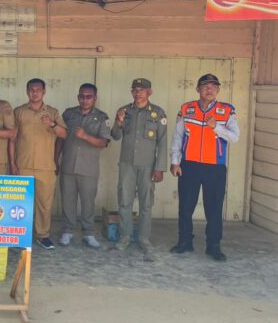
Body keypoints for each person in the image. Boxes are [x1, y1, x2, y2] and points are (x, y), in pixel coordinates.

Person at [170, 74, 239, 262]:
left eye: (213, 86)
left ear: (218, 90)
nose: (209, 89)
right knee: (186, 206)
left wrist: (216, 127)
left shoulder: (227, 110)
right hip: (189, 165)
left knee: (214, 209)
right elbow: (178, 137)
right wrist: (175, 161)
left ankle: (213, 246)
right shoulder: (187, 109)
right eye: (205, 86)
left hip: (215, 167)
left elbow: (234, 137)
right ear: (198, 89)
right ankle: (185, 241)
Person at [110, 78, 167, 261]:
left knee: (146, 203)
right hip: (127, 164)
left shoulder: (158, 113)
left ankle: (143, 238)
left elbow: (162, 142)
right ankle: (125, 236)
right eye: (135, 89)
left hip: (148, 165)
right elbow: (115, 136)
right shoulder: (124, 111)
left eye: (142, 90)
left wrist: (160, 168)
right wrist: (118, 121)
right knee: (124, 201)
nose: (138, 93)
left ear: (149, 92)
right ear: (131, 92)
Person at [10, 78, 67, 250]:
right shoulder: (19, 112)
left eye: (38, 90)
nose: (34, 93)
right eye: (31, 90)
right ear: (27, 92)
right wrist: (12, 163)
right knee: (20, 204)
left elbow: (64, 134)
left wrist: (52, 124)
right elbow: (12, 139)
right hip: (23, 164)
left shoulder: (53, 112)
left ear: (44, 92)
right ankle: (20, 235)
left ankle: (42, 235)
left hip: (45, 166)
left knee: (44, 204)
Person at [56, 83, 111, 249]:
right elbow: (60, 139)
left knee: (88, 202)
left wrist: (86, 136)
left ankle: (88, 233)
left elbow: (104, 142)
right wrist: (55, 159)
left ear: (95, 98)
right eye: (82, 96)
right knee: (68, 200)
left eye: (88, 96)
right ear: (78, 97)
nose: (84, 100)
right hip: (68, 165)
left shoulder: (102, 117)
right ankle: (68, 230)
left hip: (88, 168)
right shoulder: (68, 114)